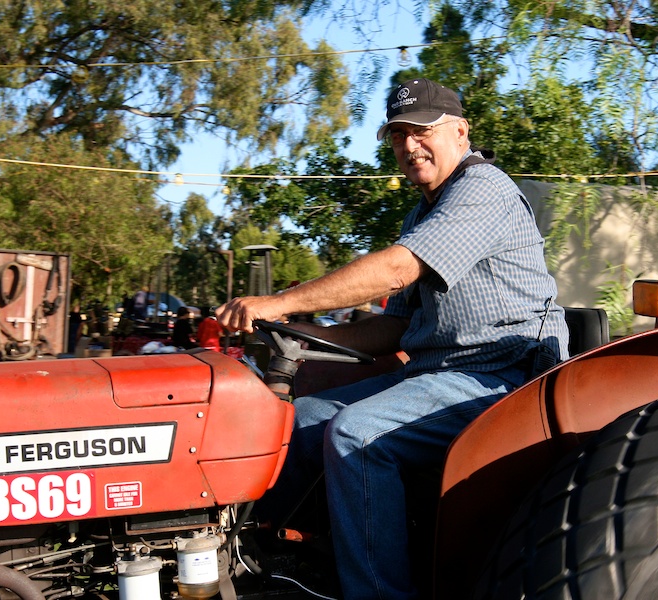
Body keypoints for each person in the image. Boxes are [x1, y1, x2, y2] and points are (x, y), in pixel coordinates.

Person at [215, 78, 569, 600]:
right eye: (398, 135)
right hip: (434, 374)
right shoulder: (423, 211)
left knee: (358, 433)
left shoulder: (483, 188)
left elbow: (398, 269)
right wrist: (300, 333)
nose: (408, 146)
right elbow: (394, 327)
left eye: (421, 131)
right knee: (295, 422)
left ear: (460, 132)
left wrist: (281, 302)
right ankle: (265, 562)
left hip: (503, 373)